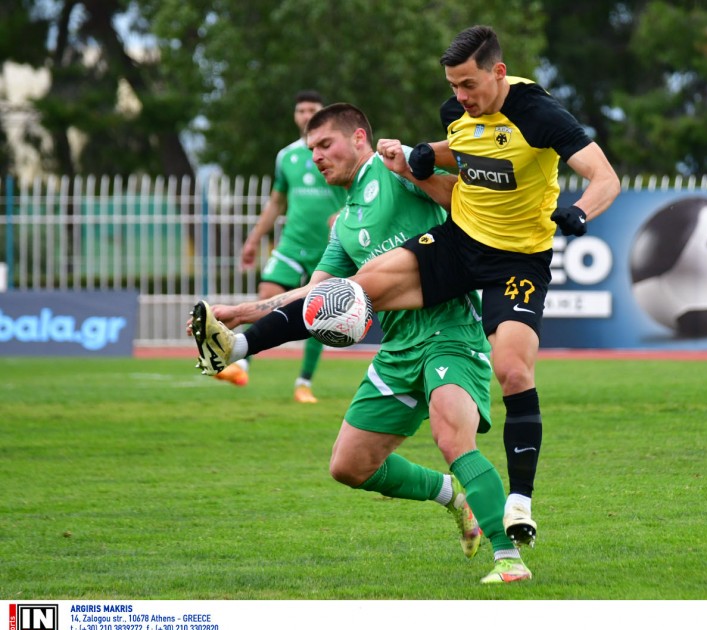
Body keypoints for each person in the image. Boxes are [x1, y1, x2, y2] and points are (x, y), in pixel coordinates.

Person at [194, 25, 621, 549]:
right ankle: (237, 349)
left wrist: (579, 211)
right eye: (453, 86)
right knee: (349, 430)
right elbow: (325, 292)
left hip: (484, 294)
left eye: (468, 84)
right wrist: (243, 313)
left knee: (489, 395)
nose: (460, 97)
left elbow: (587, 179)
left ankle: (514, 524)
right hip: (430, 293)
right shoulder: (362, 206)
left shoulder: (523, 120)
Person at [191, 103, 531, 583]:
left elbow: (468, 200)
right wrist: (239, 319)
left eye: (325, 144)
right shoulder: (345, 224)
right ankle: (453, 497)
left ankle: (509, 559)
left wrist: (414, 166)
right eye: (311, 149)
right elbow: (314, 297)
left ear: (358, 139)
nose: (316, 157)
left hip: (450, 329)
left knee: (452, 437)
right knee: (349, 466)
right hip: (398, 346)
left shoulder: (394, 168)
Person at [216, 90, 345, 404]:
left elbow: (356, 193)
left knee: (321, 312)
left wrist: (343, 216)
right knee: (266, 294)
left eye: (312, 110)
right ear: (295, 115)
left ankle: (304, 383)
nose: (306, 115)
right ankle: (242, 364)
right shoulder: (286, 156)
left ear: (323, 113)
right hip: (292, 243)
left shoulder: (340, 152)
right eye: (301, 110)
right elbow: (276, 202)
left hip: (330, 247)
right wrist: (253, 240)